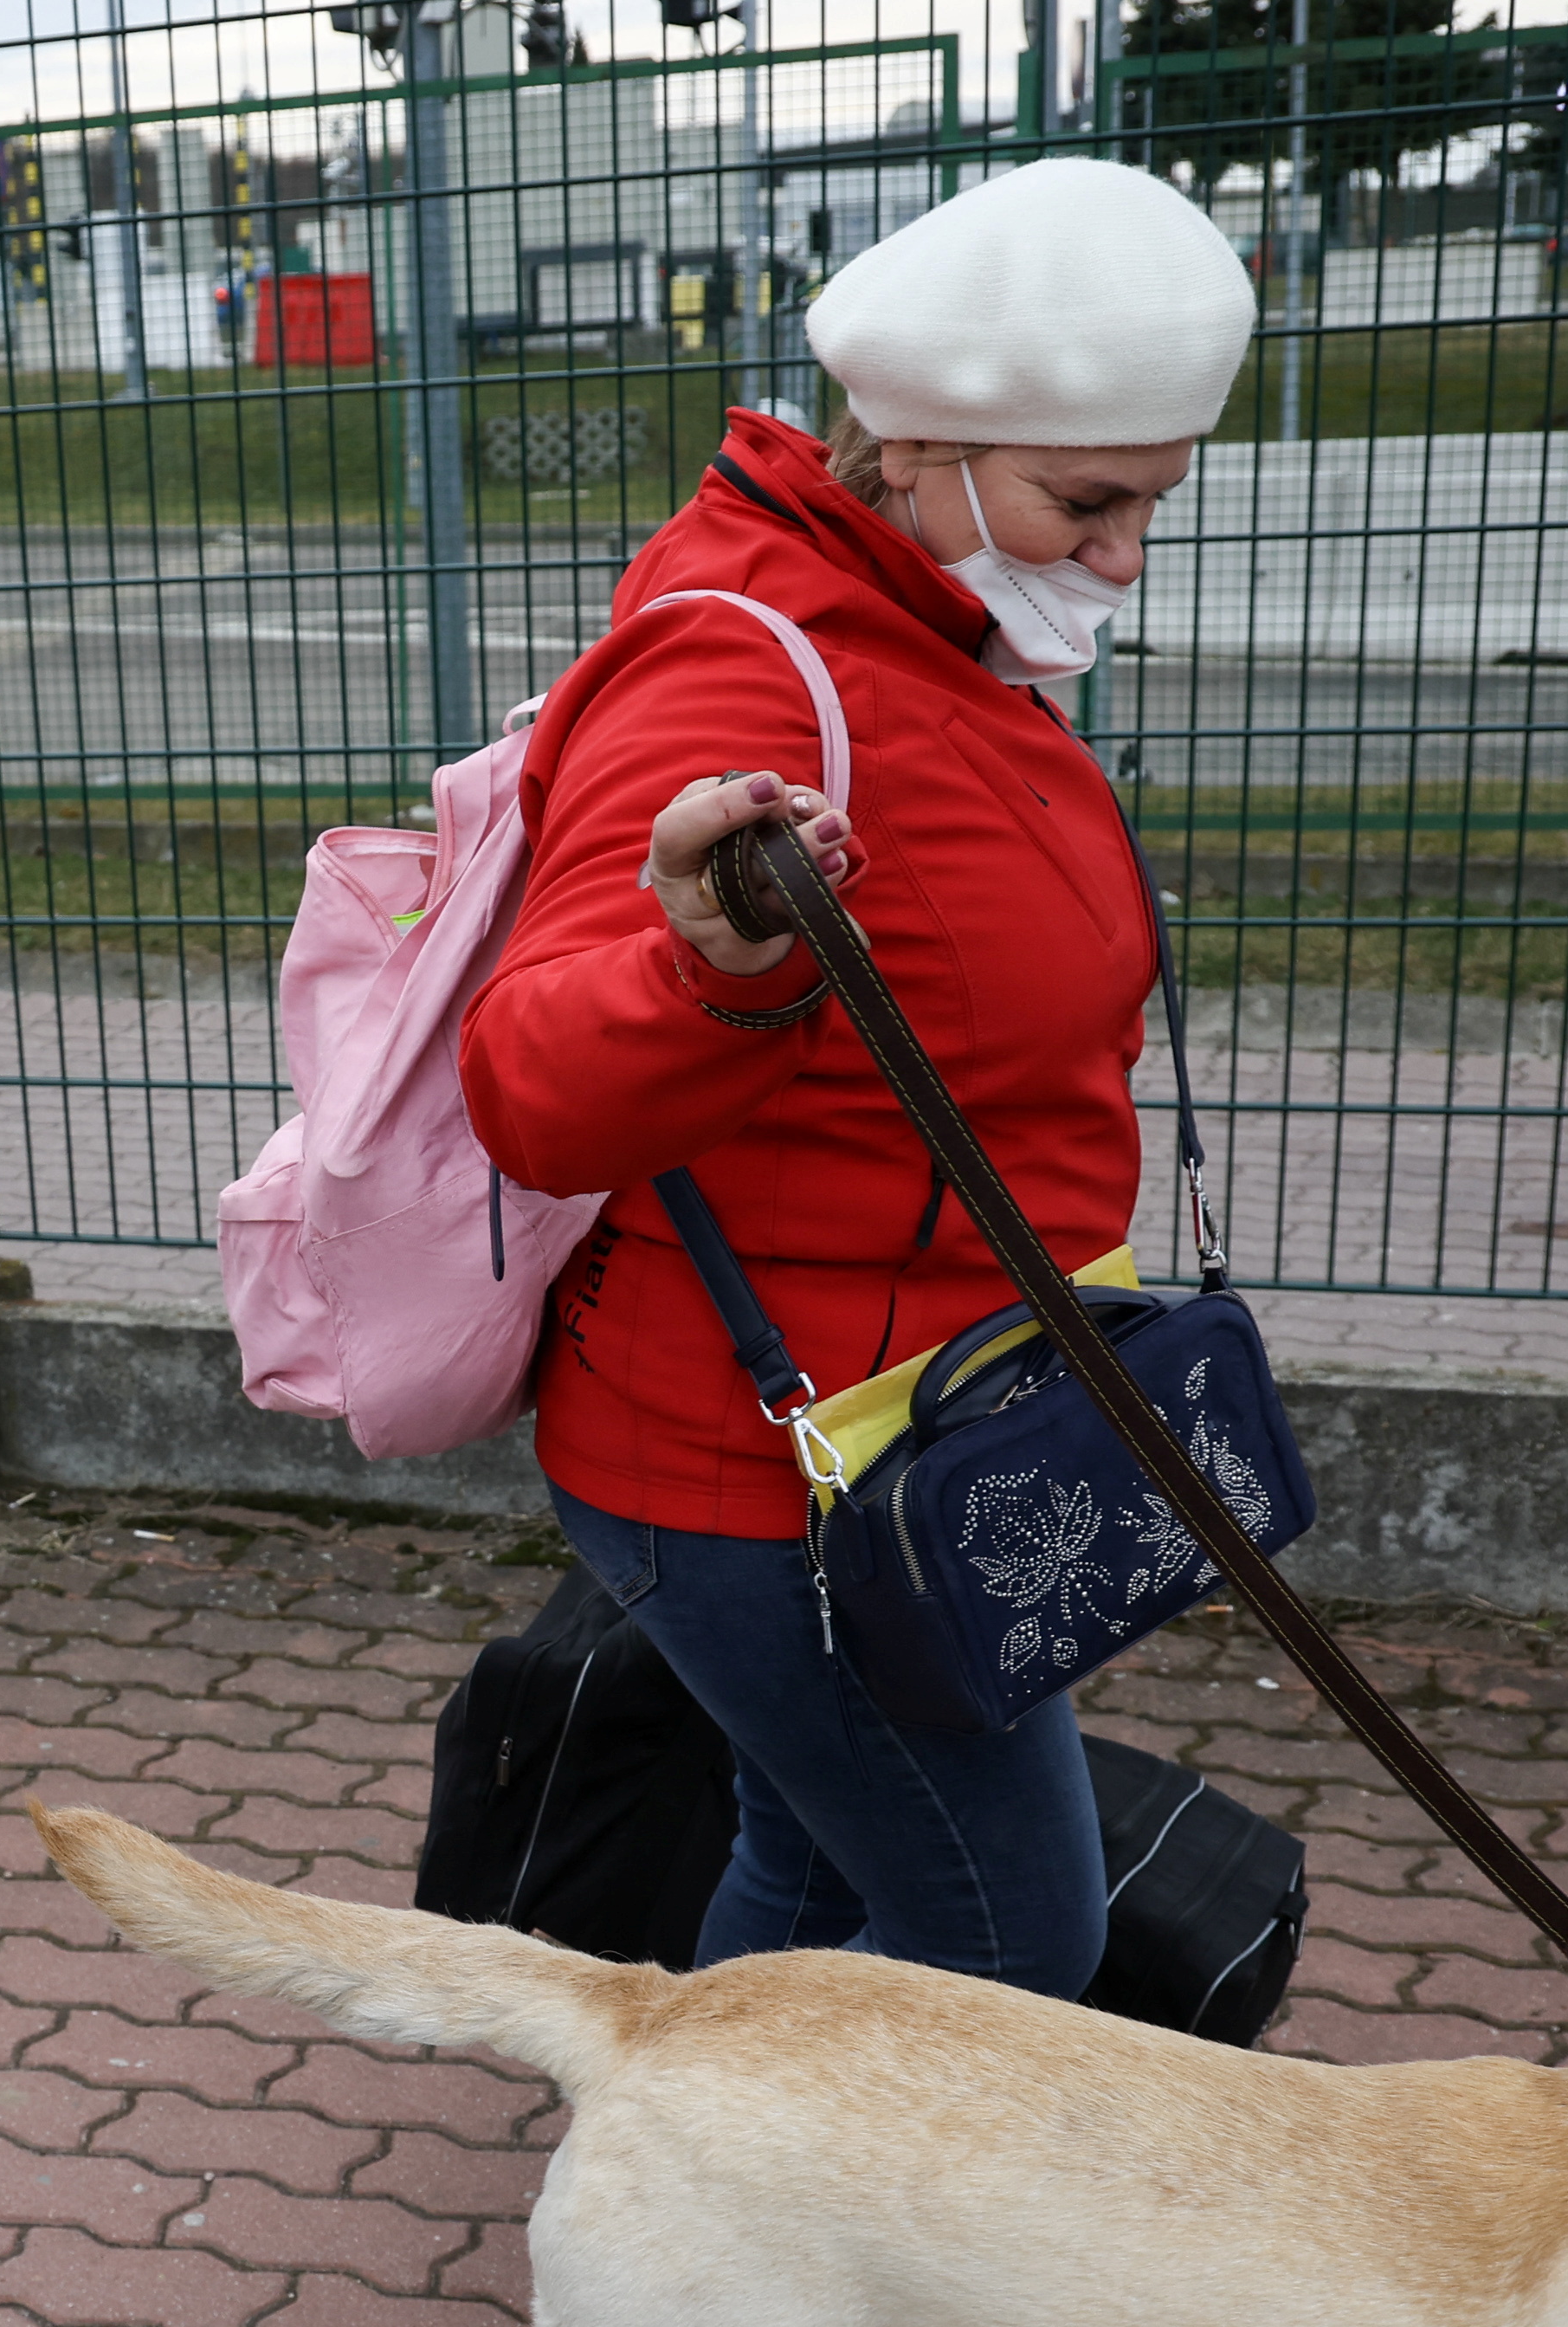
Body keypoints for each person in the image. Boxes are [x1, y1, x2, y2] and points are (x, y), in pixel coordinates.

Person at [460, 160, 1255, 1994]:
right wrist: (703, 965)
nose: (1124, 557)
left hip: (921, 1414)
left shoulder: (920, 626)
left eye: (1152, 502)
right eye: (1087, 502)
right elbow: (532, 1087)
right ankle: (761, 2169)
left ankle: (710, 2153)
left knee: (815, 1868)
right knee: (1007, 1938)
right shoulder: (747, 669)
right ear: (915, 448)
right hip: (785, 1469)